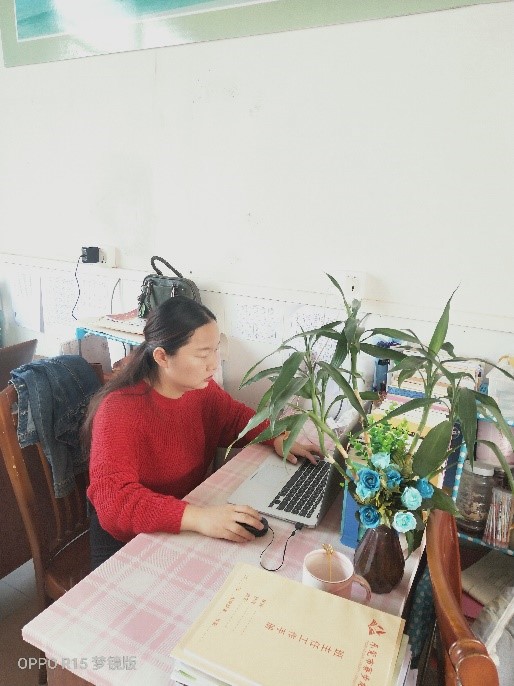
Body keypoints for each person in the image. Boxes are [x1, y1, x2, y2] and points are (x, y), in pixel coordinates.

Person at [84, 296, 320, 568]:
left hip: (183, 517)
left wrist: (276, 436)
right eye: (202, 354)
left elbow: (235, 419)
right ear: (162, 357)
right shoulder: (118, 411)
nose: (214, 364)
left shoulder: (199, 391)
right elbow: (114, 503)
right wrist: (200, 518)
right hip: (129, 539)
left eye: (215, 350)